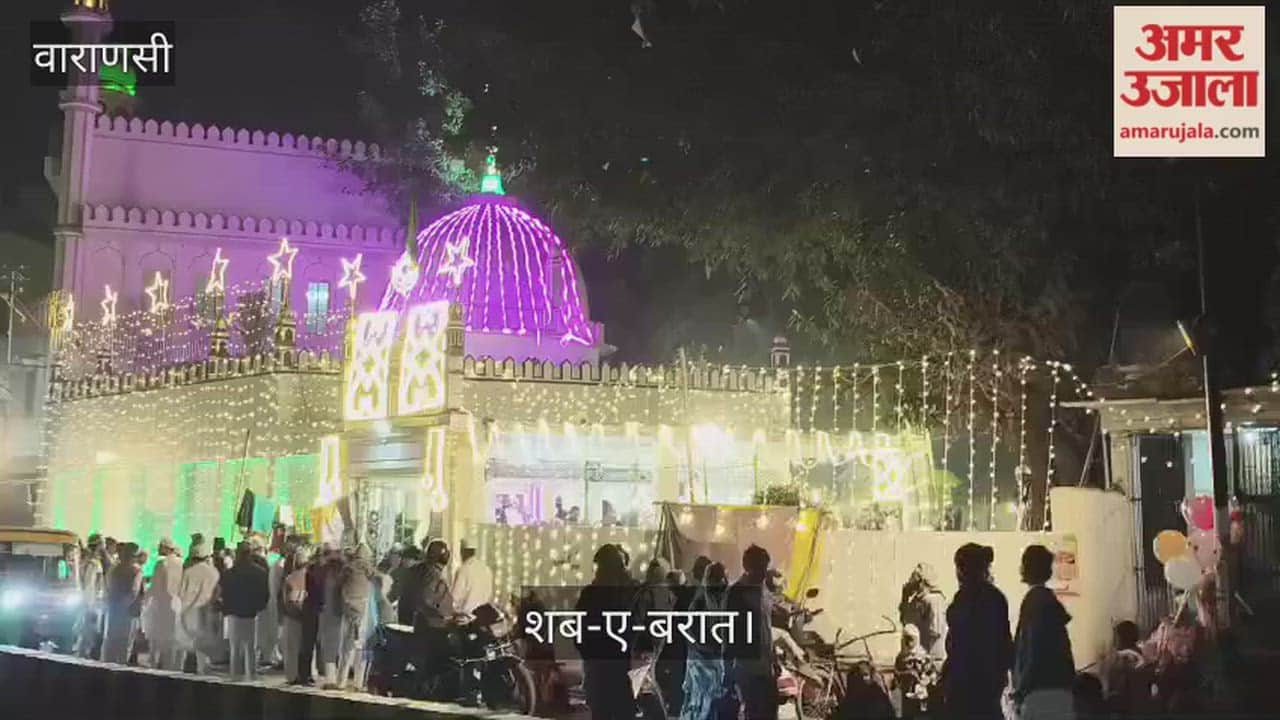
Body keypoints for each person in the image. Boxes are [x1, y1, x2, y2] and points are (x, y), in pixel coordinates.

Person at [942, 543, 1012, 720]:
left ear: (962, 570)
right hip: (988, 689)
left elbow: (955, 645)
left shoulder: (962, 600)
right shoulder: (995, 598)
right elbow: (1005, 646)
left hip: (962, 689)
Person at [1012, 545, 1076, 720]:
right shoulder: (1049, 600)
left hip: (1038, 691)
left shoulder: (1033, 602)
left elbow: (1032, 650)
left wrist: (1021, 687)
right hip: (1060, 688)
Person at [576, 544, 637, 720]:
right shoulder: (625, 593)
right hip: (612, 666)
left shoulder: (595, 594)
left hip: (606, 666)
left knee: (605, 710)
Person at [727, 545, 776, 720]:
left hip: (766, 666)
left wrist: (774, 659)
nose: (763, 573)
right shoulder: (735, 594)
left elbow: (767, 627)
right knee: (754, 712)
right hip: (747, 667)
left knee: (769, 713)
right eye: (760, 568)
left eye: (765, 567)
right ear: (748, 568)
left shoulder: (764, 591)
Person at [680, 561, 731, 720]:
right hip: (701, 664)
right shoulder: (700, 602)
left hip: (713, 663)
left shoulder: (720, 599)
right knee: (702, 706)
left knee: (710, 706)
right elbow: (691, 635)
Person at [219, 541, 270, 681]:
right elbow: (265, 594)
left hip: (234, 614)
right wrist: (259, 607)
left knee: (234, 648)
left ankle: (235, 675)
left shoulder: (229, 573)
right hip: (252, 614)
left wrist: (226, 609)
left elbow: (224, 594)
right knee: (250, 648)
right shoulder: (260, 572)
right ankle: (251, 675)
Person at [415, 539, 459, 679]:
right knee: (434, 661)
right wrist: (442, 614)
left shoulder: (432, 571)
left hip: (434, 623)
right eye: (444, 552)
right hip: (432, 625)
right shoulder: (432, 573)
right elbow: (426, 598)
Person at [337, 543, 376, 690]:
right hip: (362, 609)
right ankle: (359, 683)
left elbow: (339, 583)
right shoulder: (369, 570)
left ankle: (341, 681)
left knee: (346, 647)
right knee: (361, 646)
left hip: (348, 609)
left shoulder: (347, 568)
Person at [177, 540, 220, 673]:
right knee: (204, 646)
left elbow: (181, 593)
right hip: (208, 611)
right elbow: (217, 592)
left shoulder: (189, 572)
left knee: (189, 644)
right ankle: (203, 670)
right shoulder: (214, 572)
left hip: (190, 612)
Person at [144, 538, 184, 670]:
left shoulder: (162, 564)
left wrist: (144, 599)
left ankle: (154, 667)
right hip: (177, 606)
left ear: (166, 548)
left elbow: (155, 587)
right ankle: (171, 669)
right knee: (172, 640)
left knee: (156, 640)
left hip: (161, 606)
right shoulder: (181, 563)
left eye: (160, 547)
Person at [101, 542, 143, 664]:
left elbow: (108, 587)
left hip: (113, 610)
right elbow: (134, 592)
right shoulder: (136, 571)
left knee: (111, 641)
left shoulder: (114, 569)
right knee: (124, 644)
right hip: (127, 613)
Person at [1102, 621, 1154, 715]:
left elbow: (1120, 685)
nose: (1114, 641)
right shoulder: (1138, 653)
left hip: (1130, 707)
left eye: (1116, 637)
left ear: (1122, 638)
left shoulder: (1127, 657)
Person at [280, 546, 314, 685]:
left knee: (291, 647)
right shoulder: (311, 577)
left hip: (292, 616)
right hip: (306, 616)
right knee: (305, 647)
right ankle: (306, 674)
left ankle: (292, 675)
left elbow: (286, 600)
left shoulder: (289, 578)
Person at [899, 562, 947, 659]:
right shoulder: (916, 600)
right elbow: (906, 623)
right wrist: (904, 598)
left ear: (921, 581)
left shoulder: (934, 600)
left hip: (930, 657)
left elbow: (935, 632)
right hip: (916, 656)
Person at [894, 624, 940, 719]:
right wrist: (906, 675)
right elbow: (896, 675)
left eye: (911, 639)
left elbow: (933, 674)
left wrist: (926, 681)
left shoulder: (923, 656)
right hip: (906, 695)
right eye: (907, 639)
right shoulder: (900, 658)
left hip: (921, 695)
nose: (909, 642)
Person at [316, 544, 346, 687]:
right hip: (340, 614)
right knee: (338, 646)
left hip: (328, 613)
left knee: (329, 646)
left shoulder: (326, 577)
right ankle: (337, 679)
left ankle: (331, 679)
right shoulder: (342, 578)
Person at [77, 534, 105, 659]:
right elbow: (89, 585)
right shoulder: (93, 563)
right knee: (88, 632)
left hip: (88, 603)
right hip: (90, 604)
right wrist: (91, 606)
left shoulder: (86, 561)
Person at [452, 539, 494, 615]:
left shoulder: (463, 570)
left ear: (463, 552)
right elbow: (489, 595)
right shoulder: (486, 569)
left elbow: (455, 598)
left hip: (467, 618)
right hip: (484, 617)